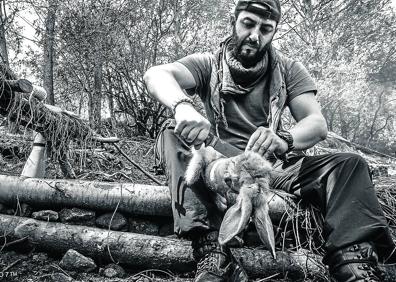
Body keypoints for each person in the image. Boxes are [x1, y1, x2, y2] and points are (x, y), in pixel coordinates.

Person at [144, 0, 395, 281]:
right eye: (248, 23)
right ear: (233, 21)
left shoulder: (289, 69)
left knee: (349, 164)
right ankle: (215, 253)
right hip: (221, 164)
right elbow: (156, 74)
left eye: (265, 28)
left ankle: (352, 264)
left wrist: (284, 138)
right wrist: (183, 107)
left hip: (272, 167)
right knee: (171, 130)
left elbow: (316, 123)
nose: (255, 35)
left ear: (274, 32)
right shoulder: (206, 64)